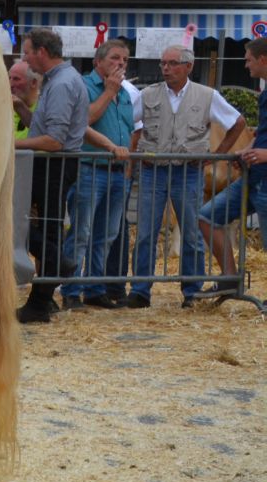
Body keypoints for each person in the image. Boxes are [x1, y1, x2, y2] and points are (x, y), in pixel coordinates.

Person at [128, 44, 246, 309]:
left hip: (188, 171)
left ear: (188, 66)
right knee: (146, 231)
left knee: (192, 233)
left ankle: (191, 290)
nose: (166, 69)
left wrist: (218, 154)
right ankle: (140, 290)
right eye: (163, 64)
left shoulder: (207, 95)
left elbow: (237, 122)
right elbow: (127, 121)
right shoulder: (148, 95)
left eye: (172, 64)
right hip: (152, 170)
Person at [13, 28, 86, 323]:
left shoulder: (62, 84)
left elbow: (54, 141)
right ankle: (45, 293)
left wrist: (10, 144)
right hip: (51, 164)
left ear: (42, 52)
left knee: (23, 222)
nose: (25, 57)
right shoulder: (58, 81)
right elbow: (44, 132)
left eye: (27, 51)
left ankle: (50, 282)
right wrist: (21, 108)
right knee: (37, 225)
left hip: (55, 164)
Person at [61, 39, 137, 310]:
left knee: (107, 234)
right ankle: (71, 289)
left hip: (117, 173)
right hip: (89, 168)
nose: (121, 64)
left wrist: (127, 164)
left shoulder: (126, 93)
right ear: (98, 61)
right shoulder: (83, 86)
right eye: (115, 58)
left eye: (125, 60)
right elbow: (82, 123)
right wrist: (108, 92)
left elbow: (129, 130)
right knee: (81, 233)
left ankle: (95, 288)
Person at [196, 38, 267, 298]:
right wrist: (248, 150)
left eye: (248, 59)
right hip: (253, 177)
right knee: (207, 216)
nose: (245, 64)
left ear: (263, 59)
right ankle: (229, 279)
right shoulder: (265, 94)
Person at [8, 58, 40, 140]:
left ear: (33, 83)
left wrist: (20, 108)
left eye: (16, 79)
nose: (10, 84)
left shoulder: (44, 109)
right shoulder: (5, 108)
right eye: (9, 78)